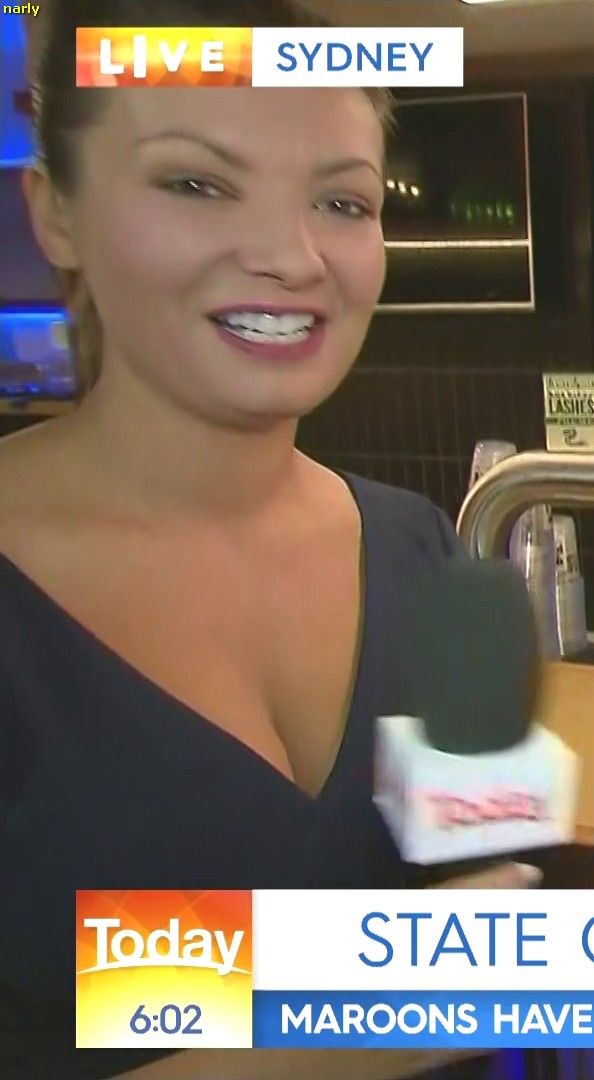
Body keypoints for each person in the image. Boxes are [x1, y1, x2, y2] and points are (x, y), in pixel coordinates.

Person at [0, 3, 538, 1078]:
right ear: (55, 211)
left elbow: (493, 920)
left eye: (342, 201)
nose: (291, 258)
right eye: (196, 184)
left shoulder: (427, 555)